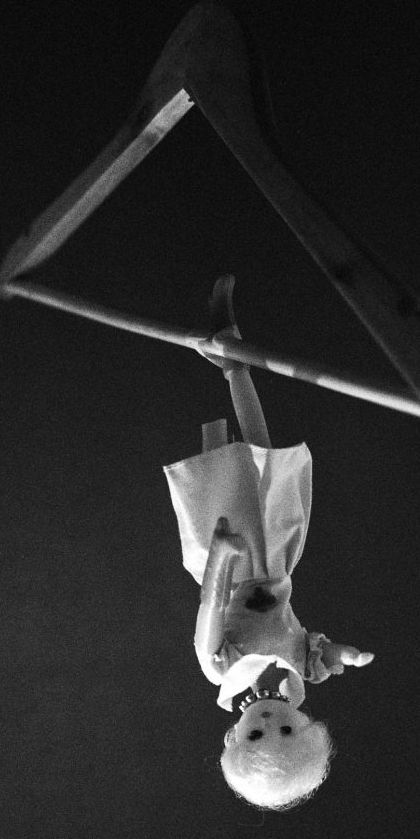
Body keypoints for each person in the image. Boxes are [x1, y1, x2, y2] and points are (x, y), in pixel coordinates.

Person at [163, 276, 374, 811]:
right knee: (266, 455)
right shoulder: (300, 669)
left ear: (234, 737)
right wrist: (344, 654)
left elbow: (209, 607)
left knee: (225, 465)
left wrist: (222, 556)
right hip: (277, 556)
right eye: (285, 732)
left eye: (256, 736)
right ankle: (233, 362)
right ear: (303, 723)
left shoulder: (221, 669)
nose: (269, 723)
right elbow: (320, 649)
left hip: (231, 559)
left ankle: (223, 360)